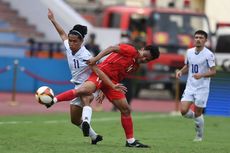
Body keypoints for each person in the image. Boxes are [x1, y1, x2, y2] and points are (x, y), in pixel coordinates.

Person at [47, 42, 160, 148]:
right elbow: (111, 48)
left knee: (126, 109)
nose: (144, 59)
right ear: (143, 49)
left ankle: (130, 141)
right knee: (85, 91)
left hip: (112, 83)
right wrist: (96, 59)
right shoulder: (131, 50)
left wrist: (103, 91)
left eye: (147, 60)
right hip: (101, 73)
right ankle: (53, 100)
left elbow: (118, 76)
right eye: (145, 55)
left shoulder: (135, 67)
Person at [47, 9, 103, 145]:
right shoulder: (68, 46)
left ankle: (86, 121)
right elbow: (62, 33)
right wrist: (53, 19)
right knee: (73, 119)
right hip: (77, 84)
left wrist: (101, 89)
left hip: (90, 84)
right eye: (70, 41)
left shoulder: (86, 56)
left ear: (82, 41)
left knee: (86, 98)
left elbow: (100, 71)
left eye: (75, 41)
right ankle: (94, 136)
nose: (71, 43)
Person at [176, 30, 216, 142]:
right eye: (196, 37)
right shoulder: (189, 52)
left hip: (202, 88)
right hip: (190, 86)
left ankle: (199, 136)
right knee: (183, 111)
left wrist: (202, 75)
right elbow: (188, 66)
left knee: (198, 112)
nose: (198, 39)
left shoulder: (209, 54)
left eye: (201, 38)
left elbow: (213, 71)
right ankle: (198, 119)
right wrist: (180, 71)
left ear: (205, 40)